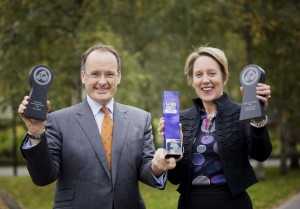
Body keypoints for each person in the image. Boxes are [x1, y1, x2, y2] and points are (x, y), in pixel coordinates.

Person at [18, 43, 176, 209]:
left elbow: (145, 170)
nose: (102, 81)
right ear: (83, 76)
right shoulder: (58, 120)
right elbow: (43, 177)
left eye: (109, 74)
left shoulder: (140, 119)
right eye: (95, 74)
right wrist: (35, 132)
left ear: (119, 76)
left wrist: (157, 166)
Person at [158, 46, 272, 209]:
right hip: (190, 204)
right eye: (199, 74)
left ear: (224, 77)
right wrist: (176, 149)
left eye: (212, 73)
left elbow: (261, 154)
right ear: (192, 80)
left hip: (233, 204)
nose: (205, 80)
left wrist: (258, 117)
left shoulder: (242, 111)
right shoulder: (179, 119)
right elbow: (175, 178)